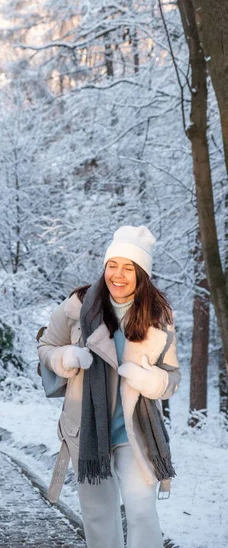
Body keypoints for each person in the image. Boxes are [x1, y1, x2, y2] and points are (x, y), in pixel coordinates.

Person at [38, 225, 180, 548]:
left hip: (136, 431)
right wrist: (66, 357)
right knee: (99, 519)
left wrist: (149, 380)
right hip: (87, 432)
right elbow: (46, 347)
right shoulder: (78, 305)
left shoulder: (159, 315)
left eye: (129, 268)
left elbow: (172, 378)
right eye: (112, 265)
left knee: (142, 515)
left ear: (141, 274)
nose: (118, 275)